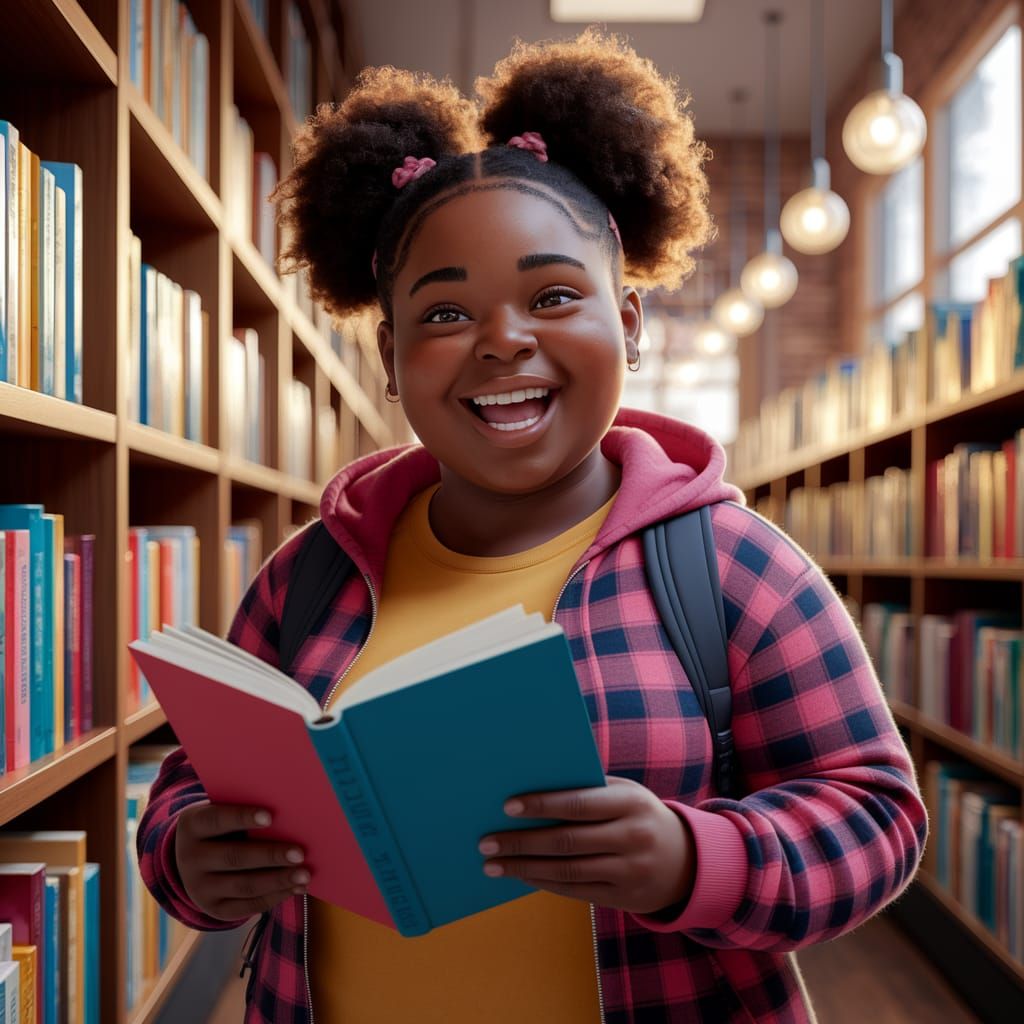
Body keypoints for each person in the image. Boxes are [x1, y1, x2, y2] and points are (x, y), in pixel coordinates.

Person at [138, 30, 927, 1023]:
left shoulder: (734, 570)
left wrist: (694, 858)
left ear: (629, 322)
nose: (503, 339)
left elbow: (876, 822)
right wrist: (189, 858)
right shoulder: (310, 577)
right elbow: (184, 791)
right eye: (444, 313)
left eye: (553, 296)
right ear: (389, 353)